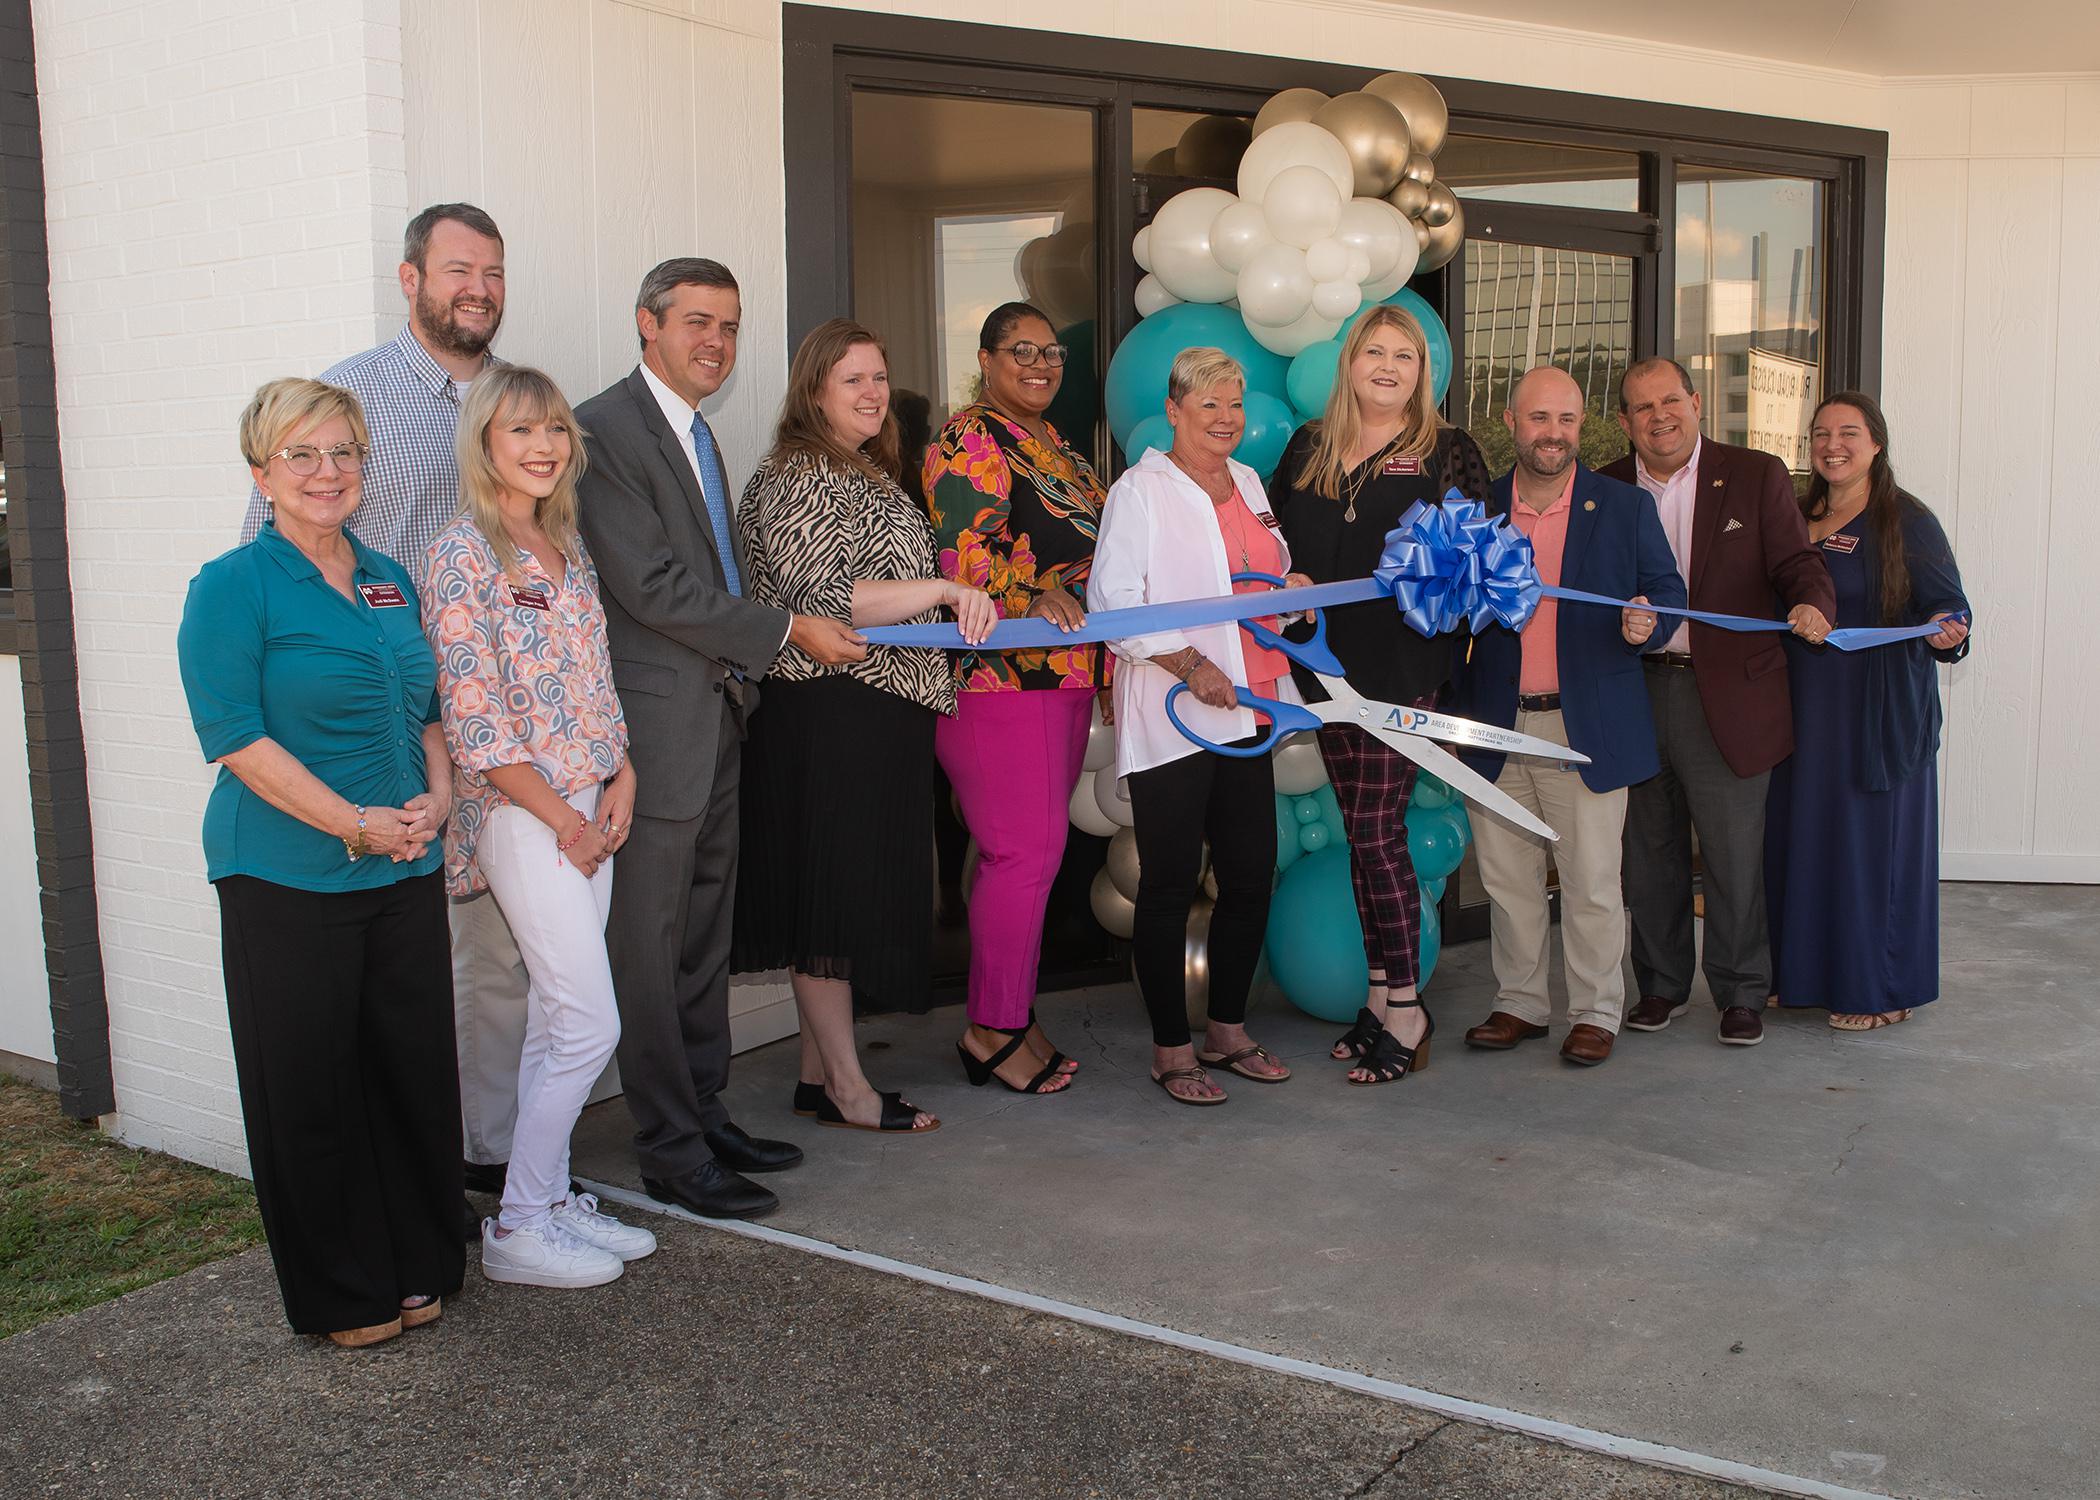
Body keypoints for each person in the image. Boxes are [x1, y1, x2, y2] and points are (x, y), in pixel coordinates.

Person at [240, 202, 528, 1214]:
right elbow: (266, 573)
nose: (477, 288)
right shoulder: (350, 402)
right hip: (388, 730)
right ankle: (413, 1166)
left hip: (495, 723)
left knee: (499, 950)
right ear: (410, 279)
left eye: (491, 271)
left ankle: (485, 1155)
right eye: (458, 268)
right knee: (416, 962)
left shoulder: (511, 401)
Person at [576, 258, 866, 1220]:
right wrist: (786, 633)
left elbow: (712, 579)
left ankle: (703, 1114)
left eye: (730, 326)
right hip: (655, 736)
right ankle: (666, 1148)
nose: (716, 342)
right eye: (697, 321)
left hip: (716, 723)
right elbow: (651, 587)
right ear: (646, 324)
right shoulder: (604, 432)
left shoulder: (697, 433)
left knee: (702, 943)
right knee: (651, 951)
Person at [179, 378, 460, 1347]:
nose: (326, 472)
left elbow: (424, 709)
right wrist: (354, 822)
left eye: (343, 453)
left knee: (410, 1075)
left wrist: (440, 796)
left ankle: (418, 1263)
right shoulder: (231, 586)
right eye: (301, 455)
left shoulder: (388, 574)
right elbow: (236, 739)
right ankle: (347, 1292)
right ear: (261, 472)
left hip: (402, 867)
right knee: (312, 1088)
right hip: (286, 873)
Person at [423, 367, 658, 1287]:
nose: (543, 446)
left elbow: (596, 682)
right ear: (485, 442)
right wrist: (565, 818)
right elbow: (475, 720)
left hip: (592, 809)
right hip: (527, 817)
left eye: (554, 429)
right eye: (521, 430)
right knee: (588, 1026)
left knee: (552, 1025)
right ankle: (519, 1226)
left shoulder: (564, 544)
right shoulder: (462, 552)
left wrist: (625, 774)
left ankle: (548, 1196)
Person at [735, 318, 996, 1132]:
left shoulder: (867, 471)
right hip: (828, 712)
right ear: (814, 390)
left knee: (841, 902)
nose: (873, 392)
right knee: (829, 902)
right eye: (852, 379)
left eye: (879, 377)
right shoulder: (797, 473)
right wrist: (945, 591)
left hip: (876, 713)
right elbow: (828, 599)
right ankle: (849, 1089)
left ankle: (819, 1078)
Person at [1270, 305, 1494, 1085]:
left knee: (1374, 831)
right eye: (1375, 352)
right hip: (1324, 669)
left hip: (1405, 674)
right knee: (1364, 834)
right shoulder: (1307, 448)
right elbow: (1272, 544)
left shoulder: (1448, 450)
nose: (1389, 367)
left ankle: (1408, 1005)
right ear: (1351, 362)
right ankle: (1375, 998)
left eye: (1405, 355)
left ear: (1421, 371)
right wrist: (1285, 578)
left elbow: (1479, 560)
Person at [1454, 367, 1686, 1067]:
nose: (1553, 433)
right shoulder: (1476, 508)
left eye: (1567, 420)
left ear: (1582, 427)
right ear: (1511, 422)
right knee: (1506, 877)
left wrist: (1652, 621)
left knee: (1589, 881)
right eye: (1539, 419)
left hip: (1585, 728)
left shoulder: (1621, 507)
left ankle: (1595, 1011)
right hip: (1496, 725)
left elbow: (1666, 589)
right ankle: (1520, 1003)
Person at [1603, 358, 1835, 1048]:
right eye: (1642, 408)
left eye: (1670, 400)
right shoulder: (1606, 487)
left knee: (1735, 855)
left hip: (1730, 695)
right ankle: (1661, 985)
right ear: (1624, 423)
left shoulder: (1758, 474)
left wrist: (1810, 601)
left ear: (1697, 403)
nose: (1659, 417)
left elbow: (1798, 563)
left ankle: (1740, 990)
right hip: (1636, 690)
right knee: (1649, 853)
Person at [1089, 348, 1298, 1105]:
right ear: (1173, 411)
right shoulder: (1139, 491)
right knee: (1170, 884)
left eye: (1235, 404)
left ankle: (1229, 1031)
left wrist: (1294, 587)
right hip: (1175, 716)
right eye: (1209, 405)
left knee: (1249, 876)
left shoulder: (1246, 480)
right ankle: (1172, 1050)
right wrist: (1186, 664)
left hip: (1249, 709)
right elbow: (1113, 606)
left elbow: (1258, 573)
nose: (1226, 419)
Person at [924, 302, 1109, 1096]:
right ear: (987, 358)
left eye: (1051, 353)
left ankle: (1015, 1012)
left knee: (1039, 860)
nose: (1040, 365)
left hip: (1062, 676)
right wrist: (1032, 592)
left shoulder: (1057, 447)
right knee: (1020, 857)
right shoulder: (972, 438)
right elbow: (961, 558)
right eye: (1021, 351)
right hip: (1001, 682)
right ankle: (990, 1031)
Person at [1766, 393, 1971, 1031]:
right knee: (1802, 845)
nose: (1833, 445)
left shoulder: (1907, 520)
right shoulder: (1795, 517)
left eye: (1848, 433)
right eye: (1821, 433)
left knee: (1868, 852)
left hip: (1874, 716)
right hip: (1801, 713)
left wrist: (1948, 631)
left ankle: (1879, 987)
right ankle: (1800, 978)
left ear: (1875, 443)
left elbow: (1950, 609)